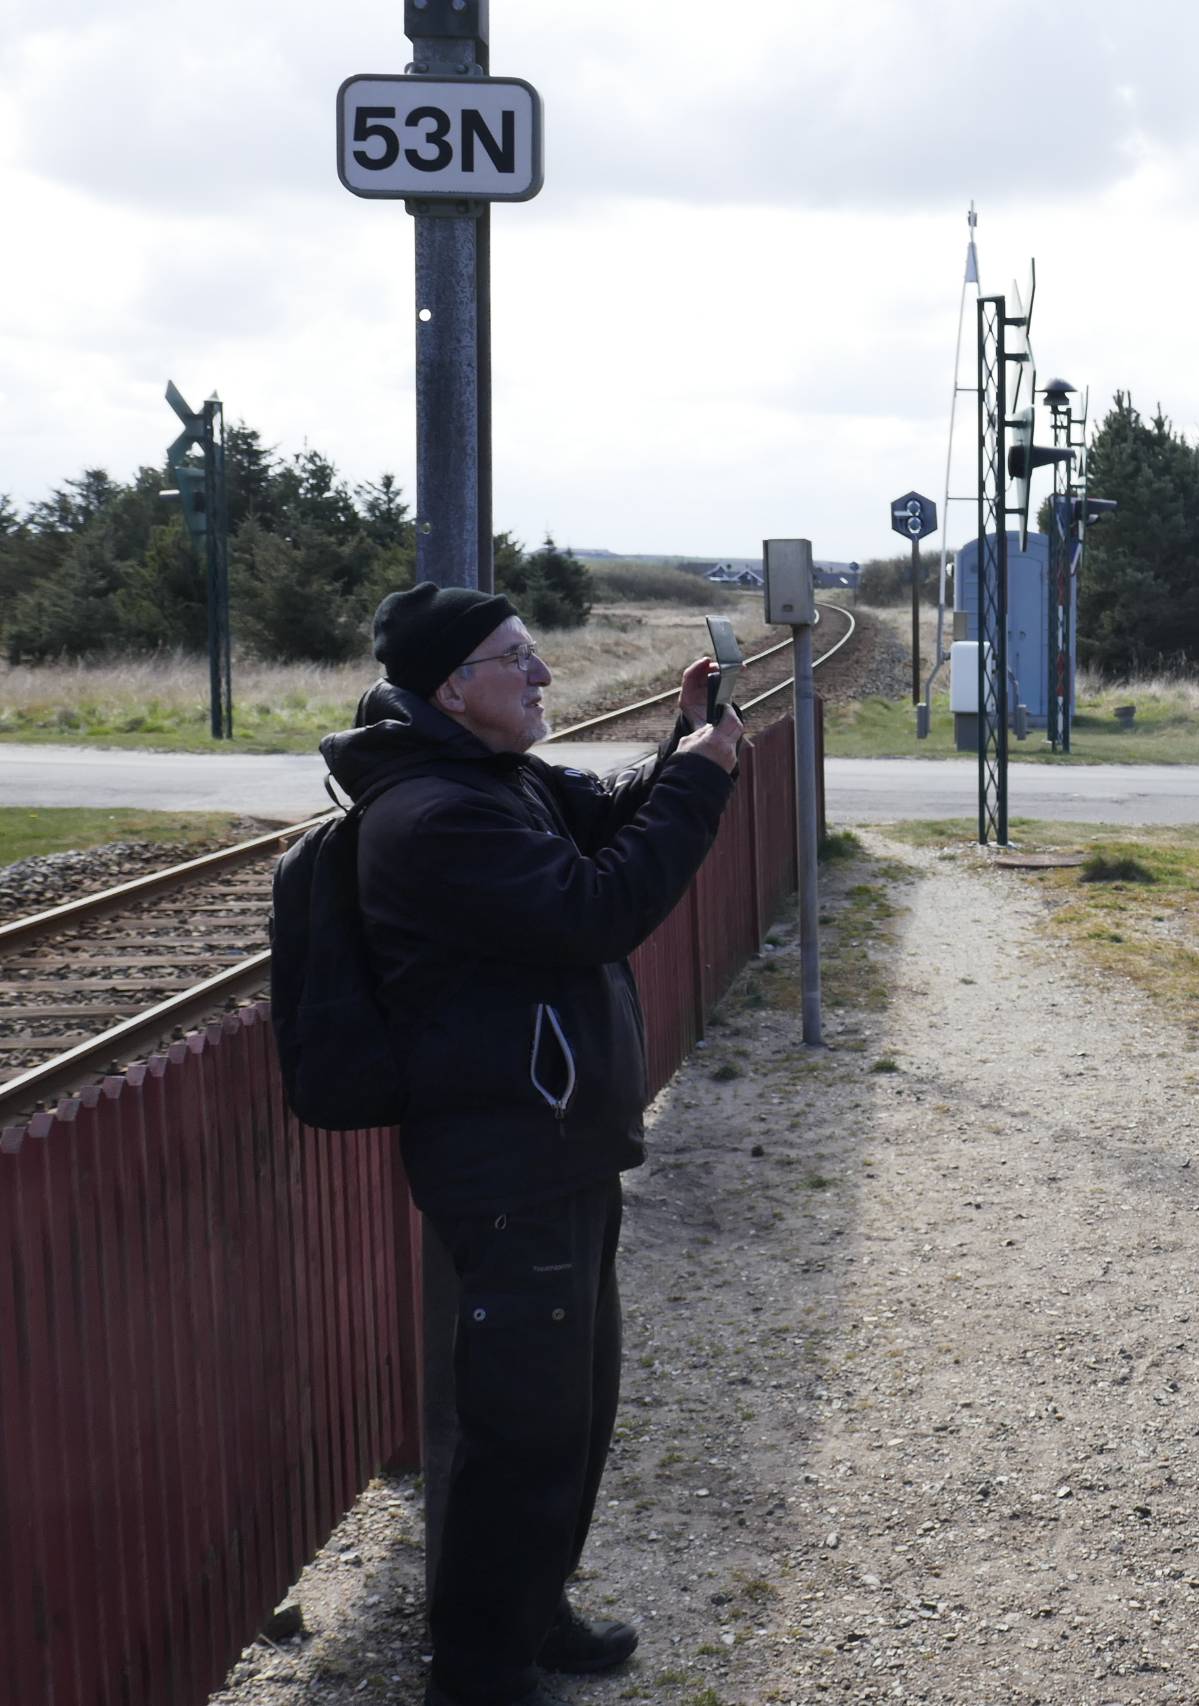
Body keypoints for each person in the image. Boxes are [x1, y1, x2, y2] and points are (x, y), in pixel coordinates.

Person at [322, 583, 743, 1706]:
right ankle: (480, 1673)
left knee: (573, 1408)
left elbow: (602, 824)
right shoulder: (436, 816)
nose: (544, 673)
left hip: (554, 1147)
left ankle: (532, 1612)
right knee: (518, 1429)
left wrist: (681, 742)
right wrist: (702, 779)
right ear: (454, 686)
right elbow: (596, 908)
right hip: (506, 1163)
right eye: (519, 658)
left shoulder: (487, 780)